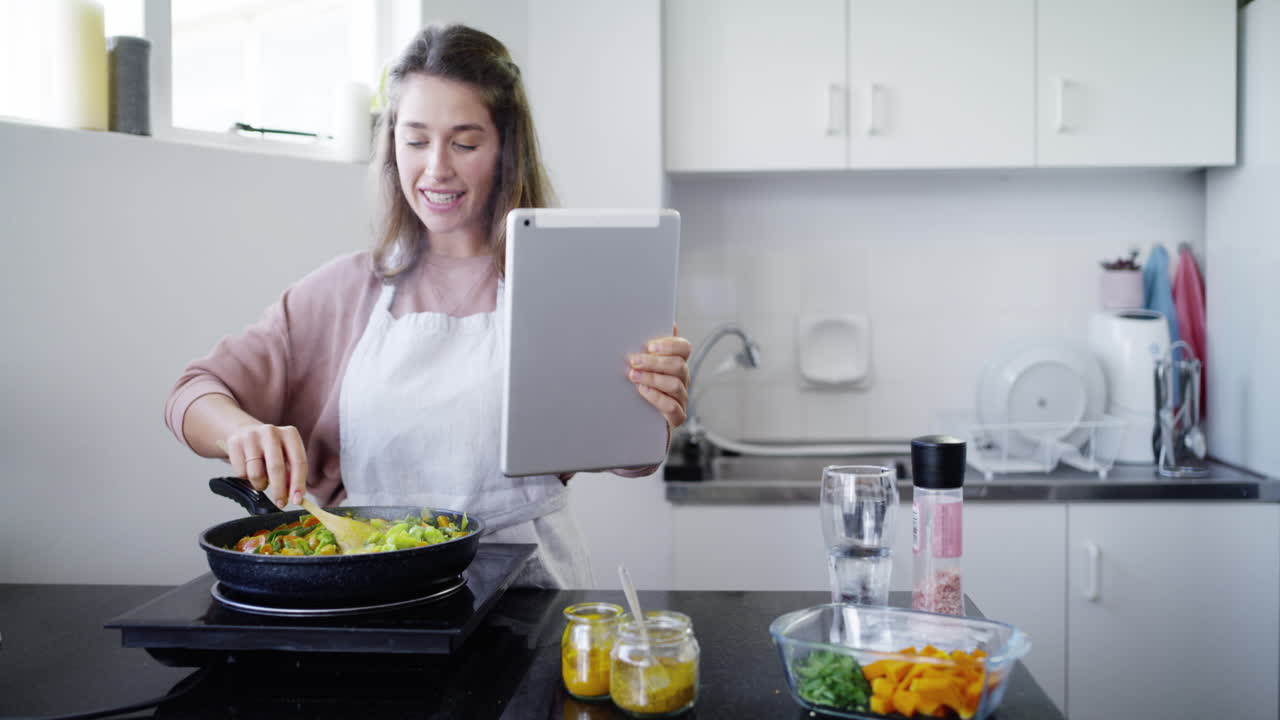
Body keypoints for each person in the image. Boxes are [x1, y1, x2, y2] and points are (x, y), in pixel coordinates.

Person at [164, 24, 691, 588]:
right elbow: (193, 393)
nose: (437, 167)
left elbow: (631, 458)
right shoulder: (343, 292)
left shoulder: (568, 284)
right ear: (392, 147)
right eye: (416, 140)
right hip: (372, 592)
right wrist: (239, 432)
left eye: (464, 143)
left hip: (530, 595)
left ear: (506, 150)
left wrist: (649, 407)